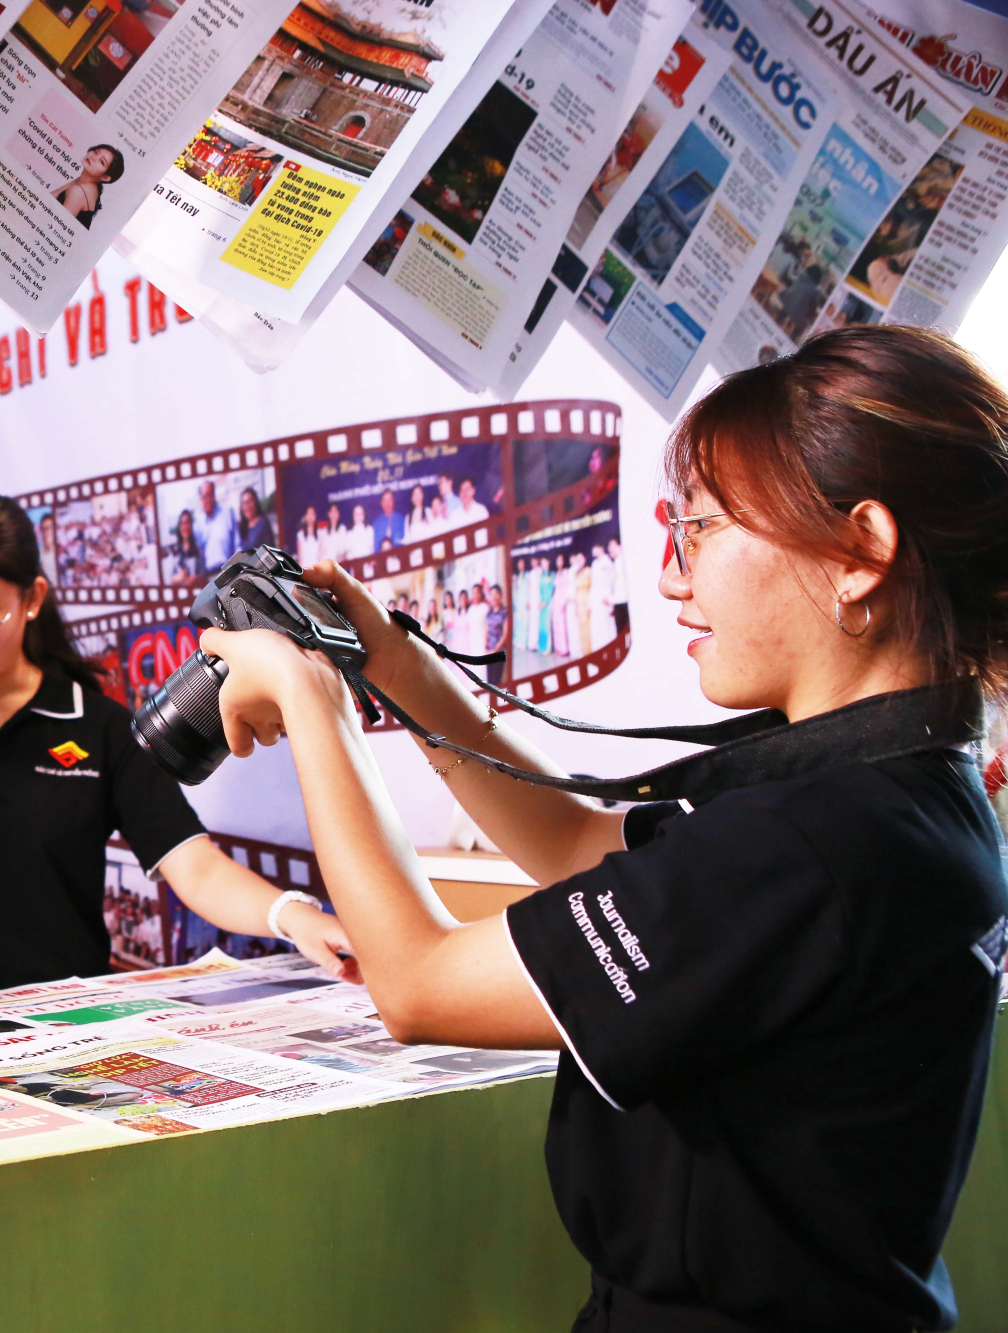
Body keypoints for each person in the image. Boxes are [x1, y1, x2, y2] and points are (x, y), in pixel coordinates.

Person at [198, 326, 1008, 1331]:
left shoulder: (815, 839)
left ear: (860, 553)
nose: (673, 576)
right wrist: (397, 672)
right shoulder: (901, 785)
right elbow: (582, 847)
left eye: (704, 528)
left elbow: (416, 985)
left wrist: (309, 704)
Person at [0, 492, 352, 999]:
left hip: (61, 1020)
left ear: (32, 599)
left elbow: (194, 867)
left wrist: (294, 916)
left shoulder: (97, 727)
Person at [53, 144, 124, 228]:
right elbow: (52, 196)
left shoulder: (80, 191)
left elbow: (55, 228)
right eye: (95, 152)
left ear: (105, 177)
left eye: (102, 162)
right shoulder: (87, 183)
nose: (94, 157)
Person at [193, 481, 239, 571]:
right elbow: (198, 554)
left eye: (209, 495)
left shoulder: (227, 514)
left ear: (214, 495)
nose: (206, 500)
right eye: (203, 497)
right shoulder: (198, 524)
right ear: (200, 499)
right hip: (208, 576)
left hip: (229, 571)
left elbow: (237, 544)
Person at [164, 509, 207, 585]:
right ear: (179, 526)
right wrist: (181, 577)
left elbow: (204, 574)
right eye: (182, 523)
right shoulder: (175, 550)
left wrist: (194, 579)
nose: (185, 526)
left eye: (188, 523)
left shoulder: (198, 549)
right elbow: (170, 578)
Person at [235, 486, 274, 552]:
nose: (247, 506)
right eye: (244, 503)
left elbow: (270, 551)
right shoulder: (241, 527)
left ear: (255, 502)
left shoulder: (263, 524)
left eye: (250, 501)